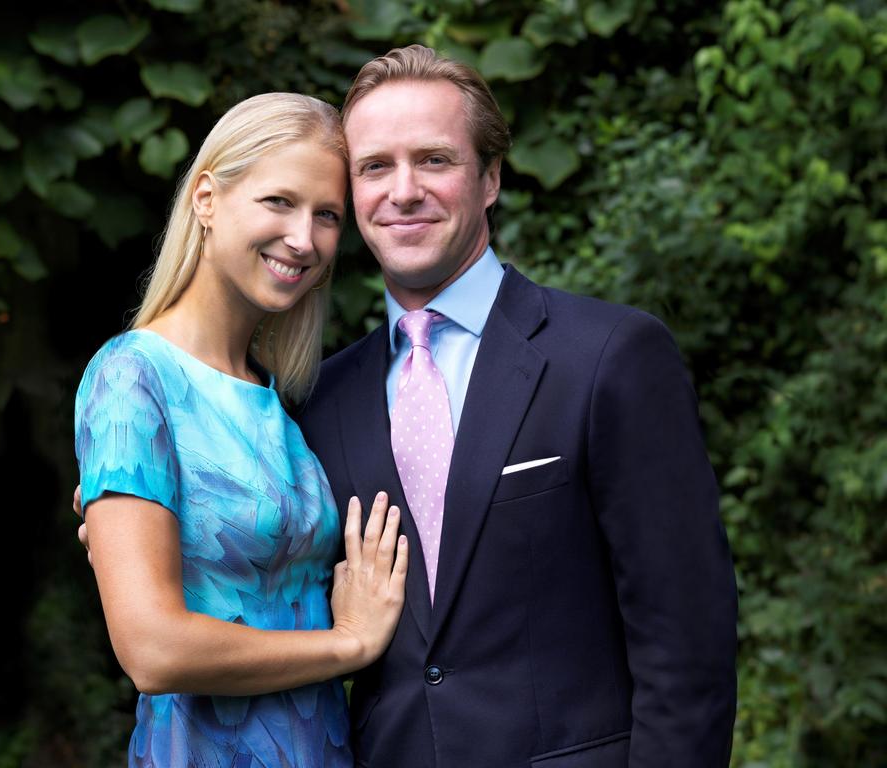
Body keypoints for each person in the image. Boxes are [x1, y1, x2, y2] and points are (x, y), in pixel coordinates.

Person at [295, 46, 739, 767]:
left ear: (491, 176)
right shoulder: (323, 399)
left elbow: (688, 645)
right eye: (375, 166)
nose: (402, 191)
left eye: (434, 160)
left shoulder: (610, 357)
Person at [73, 92, 408, 768]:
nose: (304, 239)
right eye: (278, 202)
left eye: (327, 216)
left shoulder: (277, 398)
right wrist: (349, 645)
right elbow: (152, 651)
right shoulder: (131, 379)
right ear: (206, 198)